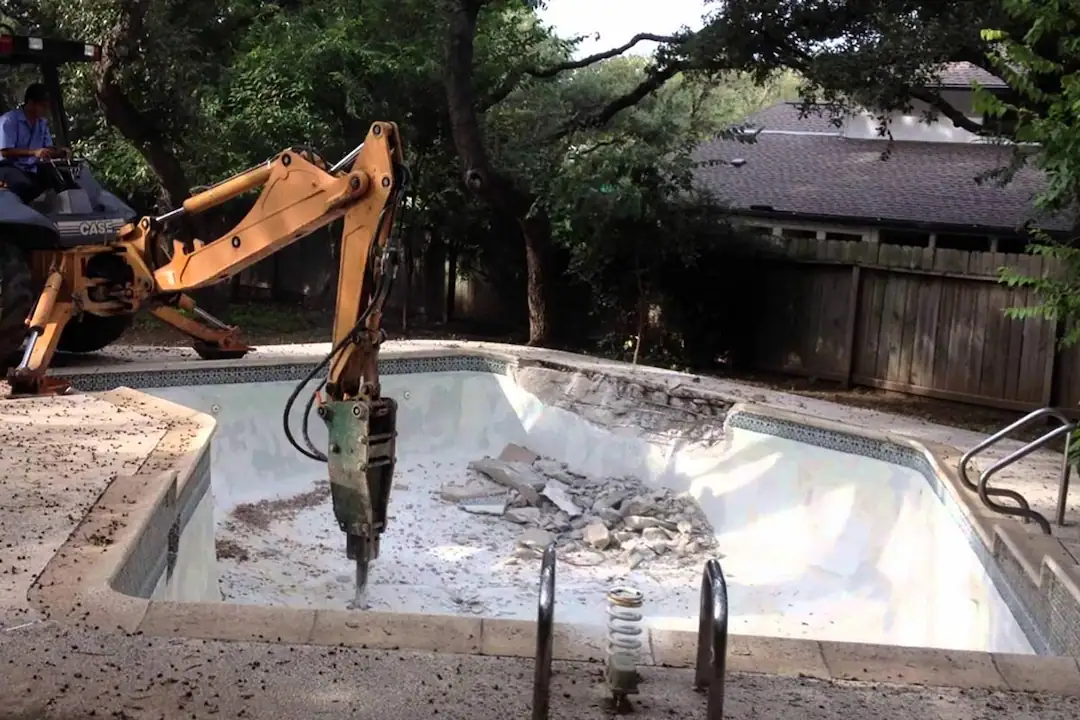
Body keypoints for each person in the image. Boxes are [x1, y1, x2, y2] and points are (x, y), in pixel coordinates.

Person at [0, 83, 72, 202]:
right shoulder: (9, 120)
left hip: (33, 168)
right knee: (25, 187)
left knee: (64, 180)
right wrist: (34, 152)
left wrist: (60, 152)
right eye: (42, 106)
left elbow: (47, 149)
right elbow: (4, 152)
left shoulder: (42, 123)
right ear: (30, 103)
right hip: (8, 167)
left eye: (47, 106)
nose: (45, 110)